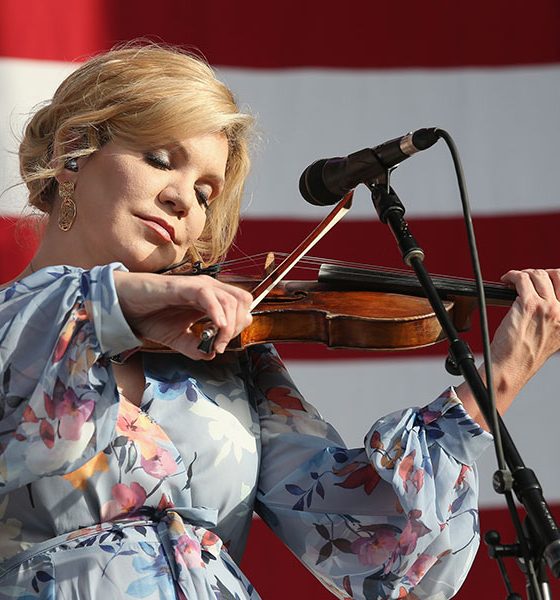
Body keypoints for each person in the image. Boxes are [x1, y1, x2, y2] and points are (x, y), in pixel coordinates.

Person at [0, 43, 558, 600]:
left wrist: (501, 376)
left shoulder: (222, 358)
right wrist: (119, 298)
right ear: (75, 148)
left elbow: (371, 536)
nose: (185, 205)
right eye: (161, 160)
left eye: (204, 193)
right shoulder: (13, 327)